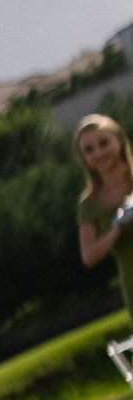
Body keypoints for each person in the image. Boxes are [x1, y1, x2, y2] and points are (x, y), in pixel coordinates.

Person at [76, 113, 133, 318]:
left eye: (103, 143)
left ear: (118, 140)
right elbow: (89, 256)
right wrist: (117, 226)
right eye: (89, 150)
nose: (98, 153)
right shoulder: (89, 203)